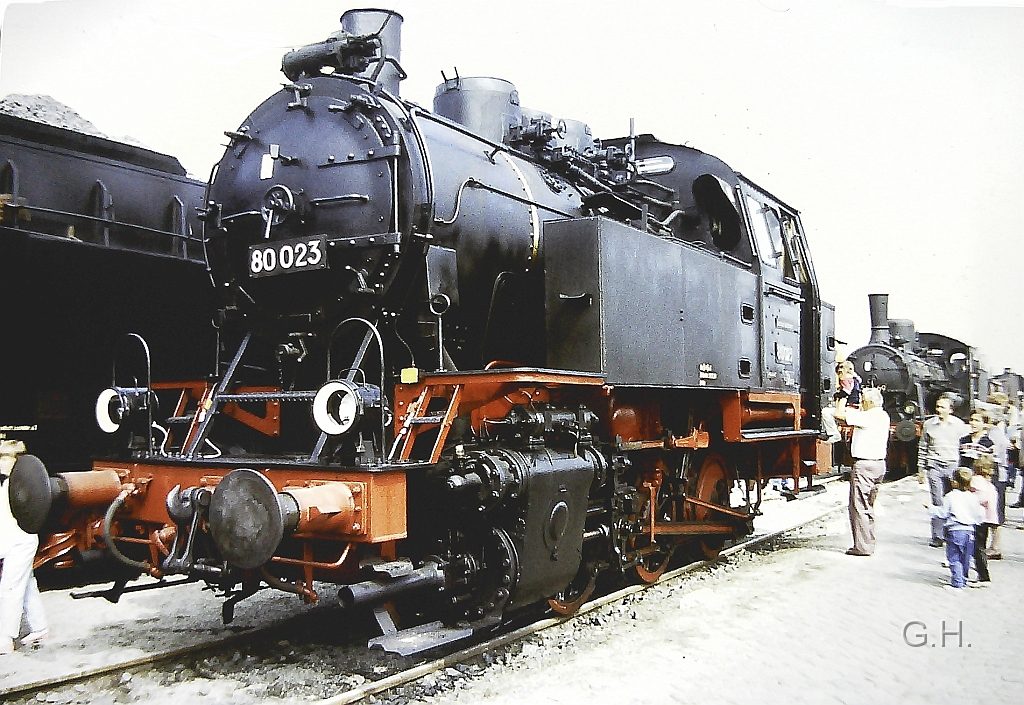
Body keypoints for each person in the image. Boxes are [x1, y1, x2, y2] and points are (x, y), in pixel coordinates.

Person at [0, 440, 49, 655]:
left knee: (10, 588)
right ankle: (40, 627)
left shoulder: (21, 487)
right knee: (27, 585)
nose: (1, 462)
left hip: (20, 541)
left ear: (16, 460)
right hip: (14, 540)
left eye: (4, 457)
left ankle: (5, 638)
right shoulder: (7, 484)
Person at [834, 387, 889, 556]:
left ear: (870, 402)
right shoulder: (883, 415)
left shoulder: (869, 416)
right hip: (879, 464)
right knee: (868, 506)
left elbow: (839, 415)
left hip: (865, 465)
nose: (860, 402)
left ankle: (862, 547)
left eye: (862, 399)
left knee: (858, 506)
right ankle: (868, 542)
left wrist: (842, 397)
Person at [919, 396, 968, 547]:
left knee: (952, 500)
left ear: (951, 410)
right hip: (934, 465)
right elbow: (923, 447)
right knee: (937, 500)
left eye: (943, 407)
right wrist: (921, 469)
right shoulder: (929, 424)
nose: (939, 410)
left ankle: (951, 532)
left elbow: (965, 447)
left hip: (952, 466)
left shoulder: (959, 425)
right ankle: (937, 536)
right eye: (938, 407)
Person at [929, 466, 983, 590]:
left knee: (954, 557)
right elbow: (979, 514)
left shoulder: (950, 497)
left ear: (954, 482)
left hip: (955, 530)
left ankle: (957, 583)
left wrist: (931, 508)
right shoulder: (973, 497)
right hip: (970, 531)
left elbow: (943, 513)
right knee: (965, 558)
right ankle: (963, 579)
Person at [969, 454, 998, 585]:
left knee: (977, 547)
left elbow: (976, 497)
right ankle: (981, 573)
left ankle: (983, 575)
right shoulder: (990, 484)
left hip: (978, 518)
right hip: (988, 518)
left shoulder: (975, 481)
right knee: (981, 546)